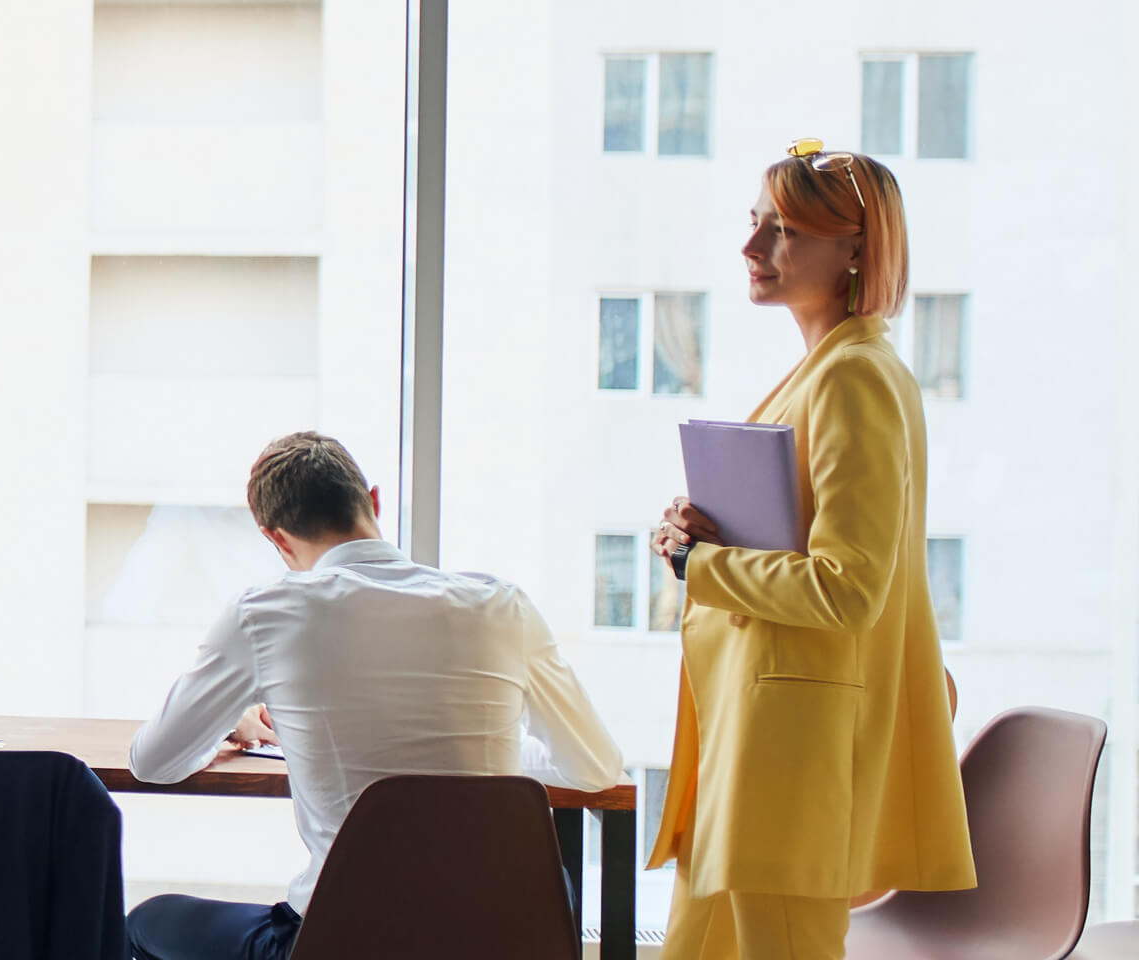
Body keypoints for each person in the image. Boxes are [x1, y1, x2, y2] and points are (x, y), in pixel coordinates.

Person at [641, 140, 972, 960]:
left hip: (789, 758)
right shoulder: (828, 371)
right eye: (755, 224)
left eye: (782, 230)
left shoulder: (853, 378)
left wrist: (701, 566)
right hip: (754, 745)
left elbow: (849, 588)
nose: (752, 248)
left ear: (855, 248)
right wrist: (706, 533)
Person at [122, 432, 623, 960]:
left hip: (337, 940)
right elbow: (594, 767)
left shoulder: (266, 614)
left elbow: (153, 762)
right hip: (498, 938)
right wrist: (485, 758)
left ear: (276, 539)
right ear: (374, 500)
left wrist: (234, 727)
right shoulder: (502, 607)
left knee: (147, 921)